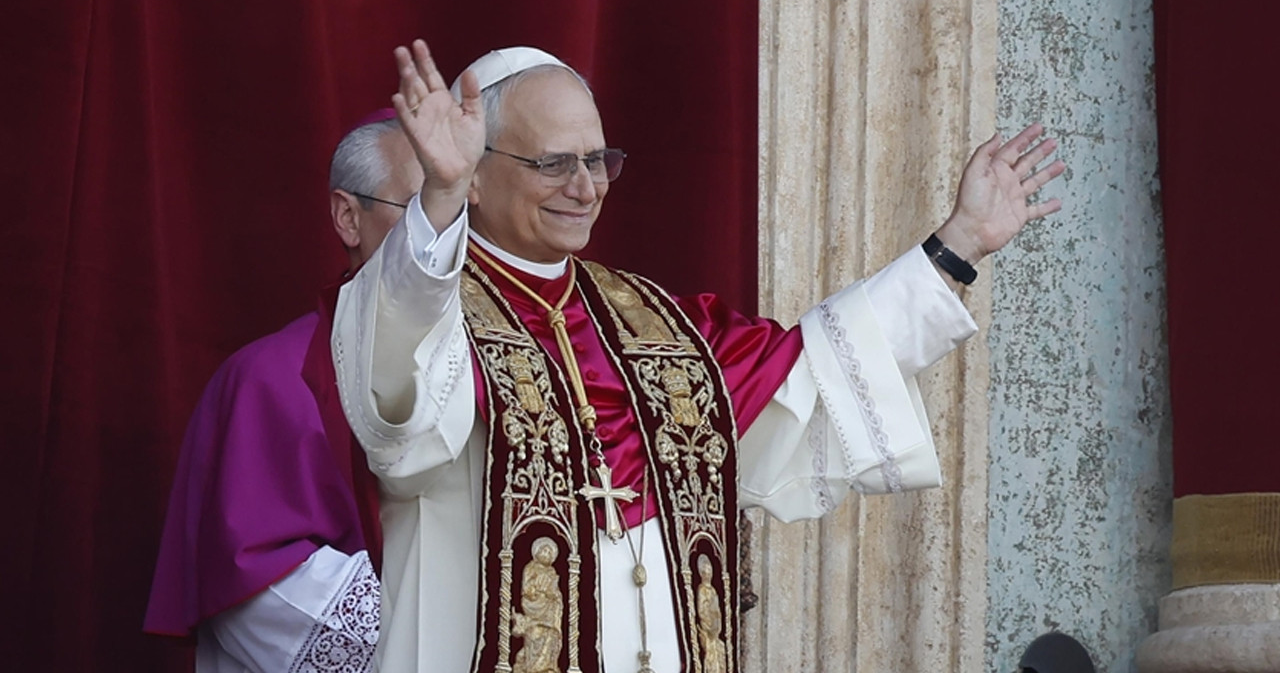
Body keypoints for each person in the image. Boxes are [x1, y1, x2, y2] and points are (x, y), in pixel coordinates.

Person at [331, 41, 1065, 673]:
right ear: (478, 171)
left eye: (599, 160)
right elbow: (400, 410)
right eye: (554, 163)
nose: (585, 188)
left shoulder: (655, 324)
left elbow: (814, 369)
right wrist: (440, 201)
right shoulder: (429, 301)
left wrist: (959, 245)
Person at [144, 110, 422, 672]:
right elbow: (260, 587)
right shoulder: (271, 380)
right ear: (349, 217)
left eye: (465, 213)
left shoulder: (505, 366)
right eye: (422, 209)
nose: (451, 237)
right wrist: (453, 618)